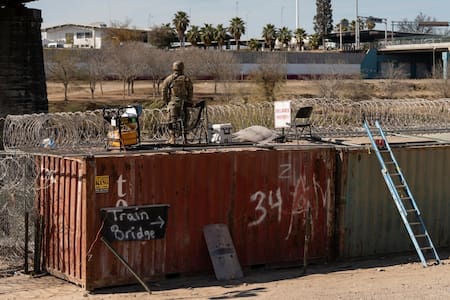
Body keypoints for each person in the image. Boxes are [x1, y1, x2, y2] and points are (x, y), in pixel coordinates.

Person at [162, 61, 193, 144]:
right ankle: (185, 138)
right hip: (184, 103)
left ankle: (173, 138)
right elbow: (190, 91)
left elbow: (164, 91)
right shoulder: (187, 79)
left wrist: (166, 101)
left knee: (171, 120)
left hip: (173, 103)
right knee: (185, 120)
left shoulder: (169, 79)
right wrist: (189, 100)